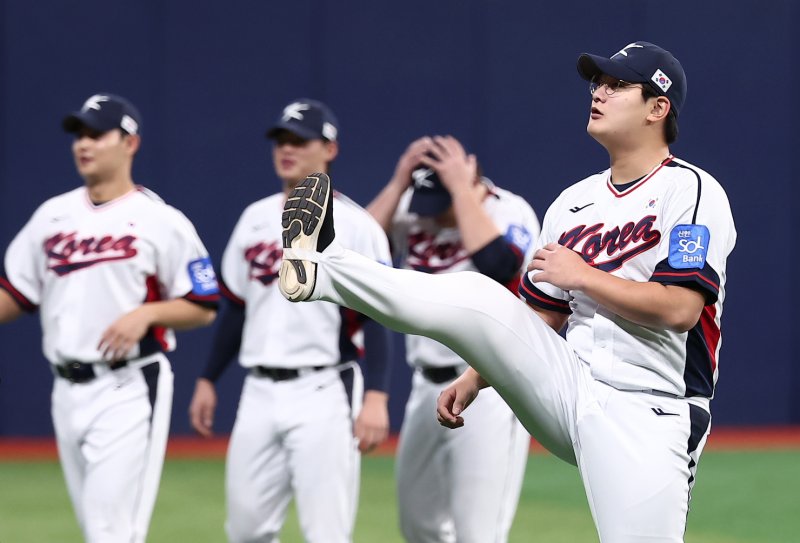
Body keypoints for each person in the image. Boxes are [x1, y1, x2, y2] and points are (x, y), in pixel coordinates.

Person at [277, 42, 737, 543]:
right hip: (571, 383)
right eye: (597, 83)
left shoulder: (691, 191)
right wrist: (475, 378)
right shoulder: (573, 202)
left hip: (652, 404)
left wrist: (583, 275)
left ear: (658, 107)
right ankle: (324, 270)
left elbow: (681, 309)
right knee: (483, 295)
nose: (599, 92)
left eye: (618, 84)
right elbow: (537, 316)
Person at [0, 93, 220, 543]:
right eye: (79, 135)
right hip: (66, 388)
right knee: (96, 528)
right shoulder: (52, 216)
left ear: (129, 143)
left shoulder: (160, 220)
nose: (84, 144)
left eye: (96, 134)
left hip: (129, 386)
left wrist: (148, 313)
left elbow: (205, 303)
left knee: (111, 532)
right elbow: (16, 293)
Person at [188, 98, 393, 543]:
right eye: (281, 140)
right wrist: (208, 378)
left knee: (326, 533)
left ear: (330, 150)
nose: (287, 149)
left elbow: (377, 317)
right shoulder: (253, 219)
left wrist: (375, 394)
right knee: (245, 531)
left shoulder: (356, 226)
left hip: (324, 389)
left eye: (300, 141)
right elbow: (237, 307)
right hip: (257, 391)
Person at [366, 135, 538, 542]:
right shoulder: (412, 213)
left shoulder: (508, 209)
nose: (433, 214)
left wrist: (460, 189)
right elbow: (357, 248)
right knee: (418, 525)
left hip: (489, 383)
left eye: (440, 199)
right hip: (426, 384)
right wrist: (397, 184)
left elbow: (502, 267)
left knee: (478, 533)